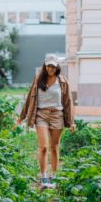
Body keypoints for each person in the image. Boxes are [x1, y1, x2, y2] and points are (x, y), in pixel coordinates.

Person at [17, 54, 75, 189]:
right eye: (48, 66)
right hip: (41, 115)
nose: (51, 69)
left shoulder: (63, 82)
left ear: (57, 67)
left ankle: (53, 176)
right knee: (43, 147)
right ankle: (44, 176)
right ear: (45, 65)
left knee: (54, 148)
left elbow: (68, 102)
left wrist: (71, 121)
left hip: (57, 116)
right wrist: (22, 116)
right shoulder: (38, 80)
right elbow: (29, 99)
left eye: (53, 67)